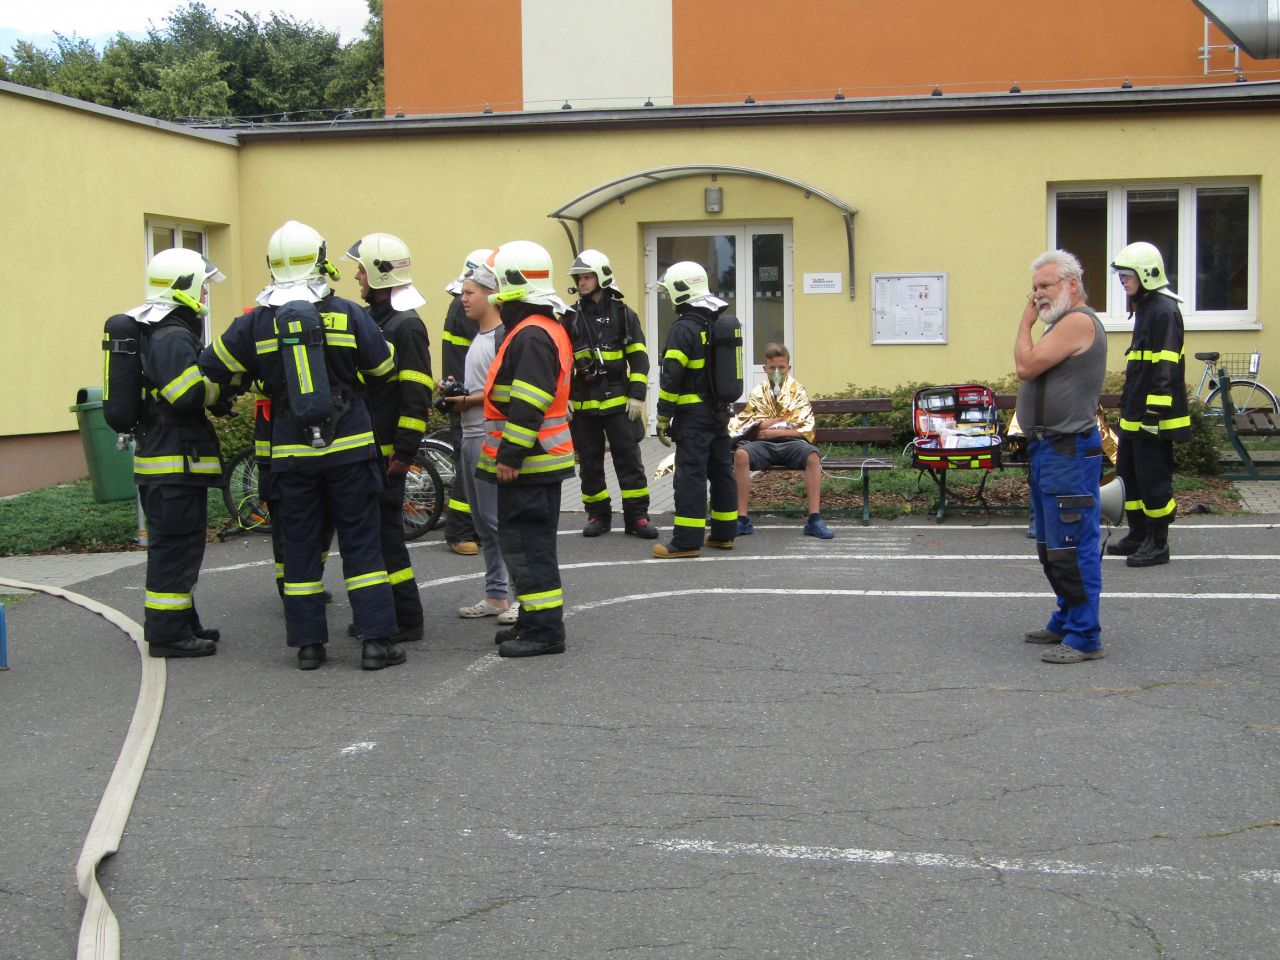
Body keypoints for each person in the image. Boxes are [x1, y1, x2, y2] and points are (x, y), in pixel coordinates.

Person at [200, 220, 405, 671]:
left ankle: (309, 647)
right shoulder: (348, 314)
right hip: (351, 450)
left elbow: (211, 367)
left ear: (272, 264)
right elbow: (384, 369)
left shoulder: (254, 323)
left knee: (300, 550)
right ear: (320, 259)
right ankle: (376, 643)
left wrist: (258, 379)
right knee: (362, 546)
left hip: (291, 456)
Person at [128, 248, 228, 659]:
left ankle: (184, 622)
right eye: (202, 286)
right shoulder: (171, 335)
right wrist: (222, 386)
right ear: (182, 286)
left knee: (182, 545)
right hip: (172, 464)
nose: (205, 295)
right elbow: (184, 394)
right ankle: (169, 635)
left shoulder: (163, 330)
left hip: (169, 462)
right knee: (175, 548)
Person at [477, 240, 575, 657]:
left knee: (529, 548)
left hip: (528, 464)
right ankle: (533, 621)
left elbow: (529, 402)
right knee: (525, 547)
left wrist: (510, 456)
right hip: (536, 461)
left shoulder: (531, 334)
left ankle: (544, 631)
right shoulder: (541, 327)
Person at [1014, 249, 1107, 664]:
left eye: (1044, 286)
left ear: (1071, 284)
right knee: (1051, 545)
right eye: (1034, 288)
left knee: (1071, 545)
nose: (1037, 295)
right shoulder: (1062, 324)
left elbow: (1026, 366)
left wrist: (1024, 324)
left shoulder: (1077, 322)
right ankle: (1067, 617)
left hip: (1067, 451)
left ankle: (1085, 635)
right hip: (1049, 449)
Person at [342, 232, 433, 643]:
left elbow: (416, 393)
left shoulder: (406, 325)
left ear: (379, 275)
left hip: (386, 453)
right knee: (373, 537)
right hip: (368, 450)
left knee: (387, 538)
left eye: (362, 270)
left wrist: (404, 451)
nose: (357, 277)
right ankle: (383, 613)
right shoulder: (377, 320)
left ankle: (406, 618)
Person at [440, 260, 519, 626]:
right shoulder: (481, 337)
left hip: (490, 438)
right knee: (484, 525)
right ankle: (496, 595)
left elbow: (505, 394)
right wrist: (457, 393)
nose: (463, 299)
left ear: (492, 295)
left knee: (498, 523)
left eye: (469, 292)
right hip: (472, 436)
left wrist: (466, 400)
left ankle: (522, 596)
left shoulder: (502, 338)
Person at [1107, 241, 1190, 568]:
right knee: (1130, 475)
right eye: (1121, 275)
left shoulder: (1164, 311)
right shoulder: (1145, 307)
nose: (1122, 281)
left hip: (1154, 417)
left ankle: (1158, 543)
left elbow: (1166, 367)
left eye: (1127, 275)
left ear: (1147, 275)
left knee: (1153, 480)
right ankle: (1138, 534)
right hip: (1136, 414)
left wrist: (1154, 414)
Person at [565, 249, 657, 539]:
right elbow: (562, 362)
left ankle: (637, 517)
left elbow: (639, 358)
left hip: (619, 402)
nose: (582, 282)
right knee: (589, 464)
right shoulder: (570, 317)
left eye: (587, 277)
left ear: (602, 278)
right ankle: (598, 516)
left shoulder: (624, 315)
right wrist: (564, 396)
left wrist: (637, 395)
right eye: (579, 278)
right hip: (584, 404)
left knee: (629, 461)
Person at [652, 261, 737, 559]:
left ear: (681, 291)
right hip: (719, 414)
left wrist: (663, 416)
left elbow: (672, 375)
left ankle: (686, 542)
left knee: (690, 476)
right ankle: (724, 534)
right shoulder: (716, 323)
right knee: (721, 471)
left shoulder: (683, 328)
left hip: (693, 417)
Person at [727, 342, 835, 539]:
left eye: (781, 367)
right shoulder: (758, 392)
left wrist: (773, 430)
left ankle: (814, 519)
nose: (777, 372)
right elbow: (750, 425)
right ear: (765, 369)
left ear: (789, 367)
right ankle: (741, 519)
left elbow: (806, 429)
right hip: (763, 445)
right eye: (772, 368)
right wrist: (777, 422)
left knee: (812, 456)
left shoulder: (798, 391)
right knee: (741, 455)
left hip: (792, 444)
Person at [439, 249, 492, 556]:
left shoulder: (462, 305)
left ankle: (473, 526)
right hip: (467, 399)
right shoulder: (465, 309)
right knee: (468, 465)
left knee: (475, 464)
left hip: (468, 395)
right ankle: (459, 531)